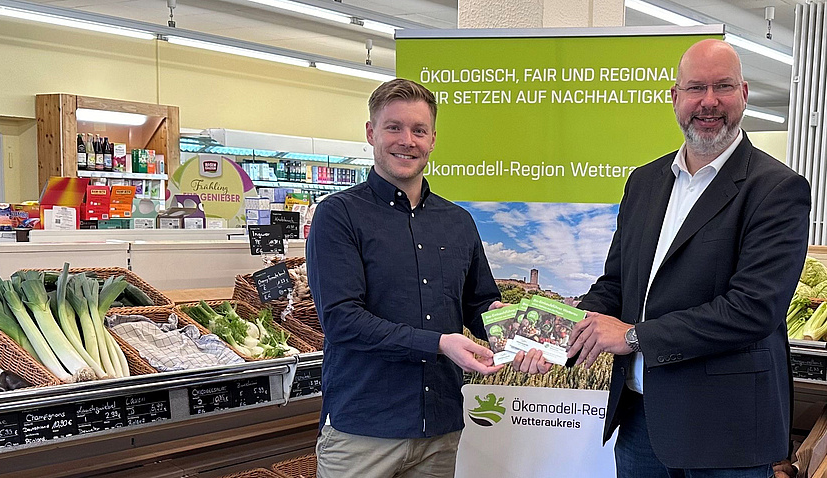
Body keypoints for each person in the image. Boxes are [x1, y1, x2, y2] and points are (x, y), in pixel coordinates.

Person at [566, 39, 810, 477]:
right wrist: (556, 329)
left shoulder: (776, 189)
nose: (709, 102)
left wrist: (635, 336)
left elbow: (753, 309)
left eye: (723, 87)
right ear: (674, 97)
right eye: (696, 88)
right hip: (642, 420)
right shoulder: (643, 182)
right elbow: (617, 283)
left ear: (744, 94)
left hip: (727, 433)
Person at [306, 78, 544, 478]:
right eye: (393, 127)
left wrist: (516, 335)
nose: (407, 140)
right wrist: (438, 344)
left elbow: (479, 303)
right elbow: (342, 320)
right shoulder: (338, 215)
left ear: (433, 139)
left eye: (418, 130)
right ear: (371, 133)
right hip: (363, 433)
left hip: (440, 430)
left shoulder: (458, 222)